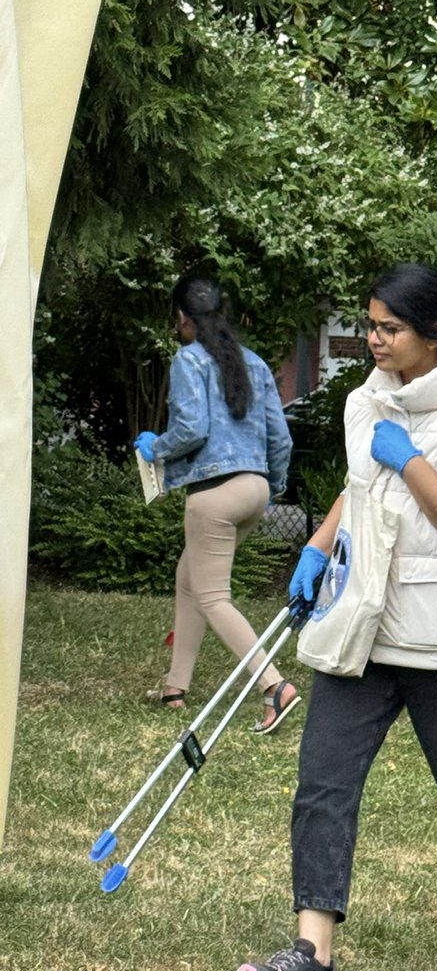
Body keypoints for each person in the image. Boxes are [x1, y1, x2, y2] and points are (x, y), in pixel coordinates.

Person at [235, 262, 437, 971]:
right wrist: (319, 543)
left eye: (388, 328)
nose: (371, 339)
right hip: (363, 627)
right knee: (323, 784)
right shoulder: (365, 404)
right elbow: (364, 482)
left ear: (434, 335)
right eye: (369, 324)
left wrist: (412, 461)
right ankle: (313, 954)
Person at [134, 273, 299, 734]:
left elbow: (192, 431)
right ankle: (174, 686)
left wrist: (156, 448)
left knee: (212, 596)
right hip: (255, 489)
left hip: (213, 494)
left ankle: (274, 686)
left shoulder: (189, 361)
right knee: (189, 578)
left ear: (183, 318)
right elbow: (279, 439)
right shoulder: (255, 364)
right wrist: (272, 485)